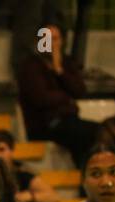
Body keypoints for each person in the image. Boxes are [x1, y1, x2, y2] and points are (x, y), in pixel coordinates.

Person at [17, 21, 99, 170]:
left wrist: (59, 70)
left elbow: (79, 91)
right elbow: (41, 98)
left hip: (69, 120)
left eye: (55, 39)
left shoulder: (66, 63)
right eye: (47, 39)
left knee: (99, 132)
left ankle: (86, 173)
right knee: (88, 132)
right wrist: (66, 97)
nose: (52, 43)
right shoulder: (30, 66)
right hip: (45, 124)